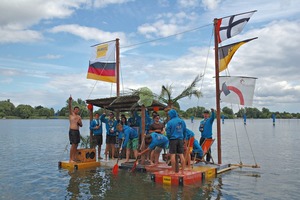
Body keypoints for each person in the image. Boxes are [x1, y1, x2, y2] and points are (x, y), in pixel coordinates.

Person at [68, 96, 82, 163]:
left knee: (76, 144)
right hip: (72, 131)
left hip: (77, 131)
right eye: (75, 109)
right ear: (73, 110)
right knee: (73, 144)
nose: (76, 110)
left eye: (77, 110)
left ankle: (74, 158)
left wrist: (79, 122)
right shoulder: (71, 115)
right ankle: (70, 159)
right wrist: (70, 101)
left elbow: (81, 125)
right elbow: (69, 107)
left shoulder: (79, 117)